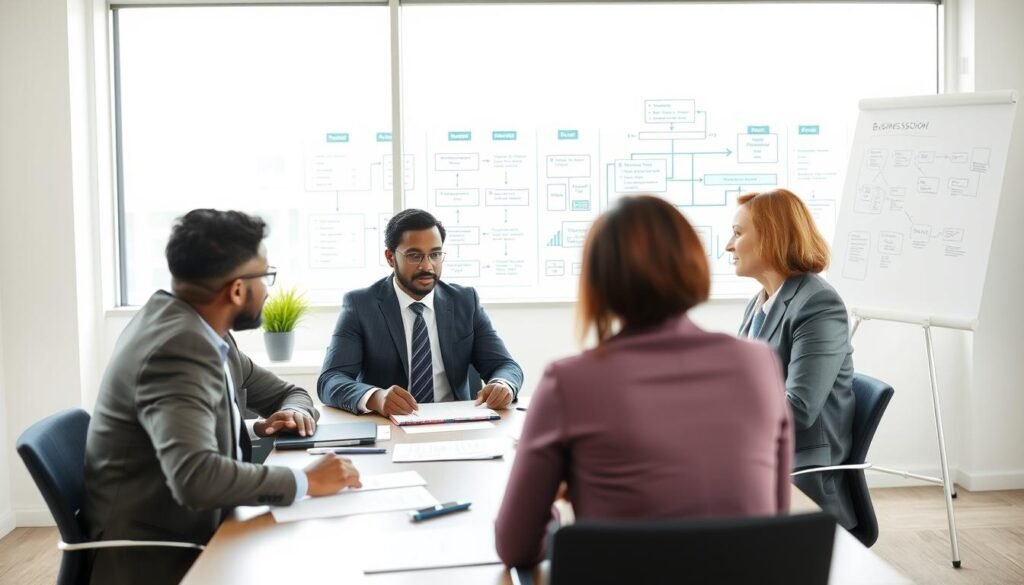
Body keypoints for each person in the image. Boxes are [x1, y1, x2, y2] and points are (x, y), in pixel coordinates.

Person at [495, 195, 793, 567]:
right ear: (693, 263)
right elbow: (775, 520)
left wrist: (556, 512)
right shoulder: (758, 363)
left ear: (599, 281)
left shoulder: (569, 380)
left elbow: (516, 546)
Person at [82, 210, 362, 585]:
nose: (268, 288)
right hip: (163, 556)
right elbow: (196, 477)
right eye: (266, 276)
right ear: (236, 289)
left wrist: (270, 421)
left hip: (202, 529)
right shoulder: (178, 348)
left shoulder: (197, 328)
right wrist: (305, 481)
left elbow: (288, 392)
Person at [725, 188, 856, 529]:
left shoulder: (818, 305)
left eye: (738, 234)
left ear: (771, 238)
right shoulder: (760, 302)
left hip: (801, 471)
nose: (728, 245)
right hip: (761, 457)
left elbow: (797, 409)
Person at [318, 208, 524, 415]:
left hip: (458, 421)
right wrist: (375, 397)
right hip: (391, 423)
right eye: (414, 256)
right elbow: (331, 380)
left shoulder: (465, 301)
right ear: (390, 257)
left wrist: (503, 384)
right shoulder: (361, 305)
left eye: (435, 254)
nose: (427, 266)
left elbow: (505, 365)